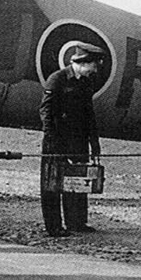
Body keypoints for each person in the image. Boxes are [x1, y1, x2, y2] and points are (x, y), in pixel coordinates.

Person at [39, 43, 104, 236]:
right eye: (93, 65)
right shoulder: (57, 79)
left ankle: (76, 222)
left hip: (78, 140)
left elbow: (89, 113)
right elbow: (45, 111)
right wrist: (51, 139)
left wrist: (94, 142)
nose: (94, 70)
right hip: (57, 140)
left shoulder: (85, 82)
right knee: (53, 184)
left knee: (78, 181)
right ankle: (53, 226)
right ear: (83, 63)